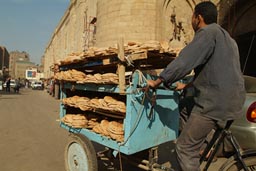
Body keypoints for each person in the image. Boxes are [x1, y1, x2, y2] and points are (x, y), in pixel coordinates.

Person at [146, 1, 246, 171]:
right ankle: (202, 146)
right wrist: (185, 87)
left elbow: (184, 61)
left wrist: (157, 80)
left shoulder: (206, 33)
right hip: (234, 101)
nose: (191, 21)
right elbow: (215, 72)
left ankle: (193, 149)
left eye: (192, 17)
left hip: (214, 102)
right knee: (185, 106)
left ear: (198, 18)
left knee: (184, 148)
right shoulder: (228, 38)